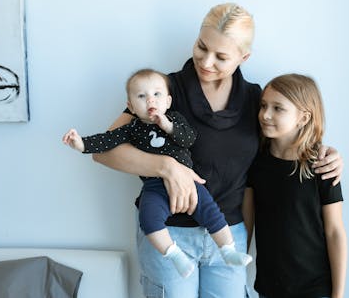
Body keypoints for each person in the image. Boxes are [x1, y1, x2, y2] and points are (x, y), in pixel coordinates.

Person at [90, 3, 344, 298]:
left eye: (221, 57)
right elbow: (103, 151)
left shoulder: (254, 99)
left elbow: (283, 144)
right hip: (169, 232)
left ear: (243, 57)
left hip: (228, 235)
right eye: (201, 47)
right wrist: (167, 168)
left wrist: (326, 154)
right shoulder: (163, 90)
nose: (206, 61)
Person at [62, 68, 252, 278]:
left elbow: (189, 139)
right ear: (131, 106)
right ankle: (174, 254)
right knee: (148, 219)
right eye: (141, 96)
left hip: (189, 183)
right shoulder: (131, 128)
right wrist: (80, 144)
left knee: (212, 212)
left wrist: (168, 125)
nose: (150, 100)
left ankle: (228, 250)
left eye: (157, 94)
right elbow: (105, 142)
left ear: (168, 101)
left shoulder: (175, 119)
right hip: (155, 186)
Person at [245, 74, 347, 298]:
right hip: (269, 288)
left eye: (278, 108)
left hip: (315, 289)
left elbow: (335, 232)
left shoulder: (323, 166)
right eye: (263, 106)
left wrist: (338, 294)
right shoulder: (257, 163)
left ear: (303, 118)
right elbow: (247, 226)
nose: (265, 115)